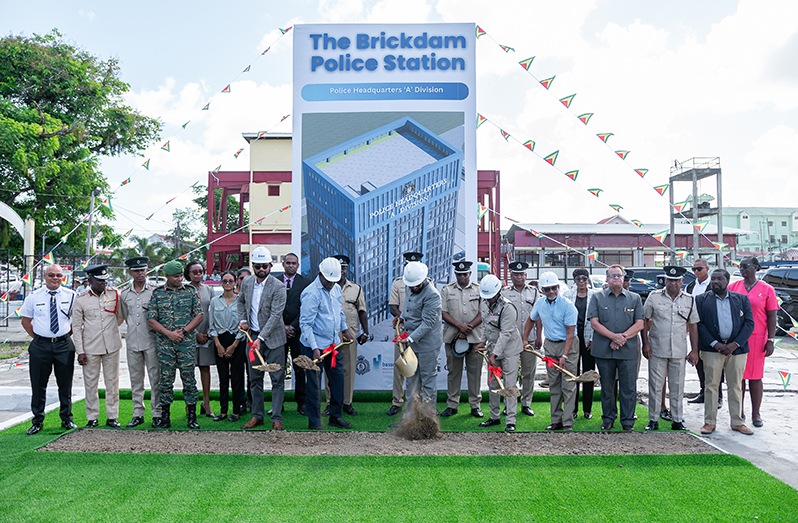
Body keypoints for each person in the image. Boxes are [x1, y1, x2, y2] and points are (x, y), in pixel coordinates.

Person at [696, 268, 755, 435]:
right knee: (711, 386)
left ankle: (737, 422)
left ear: (727, 281)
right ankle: (709, 422)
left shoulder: (742, 299)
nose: (716, 282)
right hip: (711, 350)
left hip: (737, 351)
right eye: (713, 279)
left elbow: (749, 324)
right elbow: (699, 324)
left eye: (719, 279)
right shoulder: (701, 300)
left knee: (735, 386)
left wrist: (734, 344)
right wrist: (715, 344)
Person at [641, 266, 700, 431]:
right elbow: (645, 321)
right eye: (670, 280)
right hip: (657, 349)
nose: (673, 283)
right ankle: (653, 420)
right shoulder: (654, 297)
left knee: (678, 386)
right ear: (665, 281)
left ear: (682, 281)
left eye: (676, 280)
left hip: (679, 350)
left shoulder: (689, 299)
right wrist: (645, 344)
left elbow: (693, 325)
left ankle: (677, 420)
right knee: (655, 385)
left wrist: (694, 350)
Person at [20, 264, 77, 435]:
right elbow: (26, 321)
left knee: (65, 384)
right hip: (40, 345)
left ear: (63, 278)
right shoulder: (33, 297)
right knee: (38, 384)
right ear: (44, 276)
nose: (55, 278)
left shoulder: (71, 295)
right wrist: (40, 338)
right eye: (51, 275)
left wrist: (63, 336)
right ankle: (37, 421)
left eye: (59, 275)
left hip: (64, 345)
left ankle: (67, 419)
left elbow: (77, 320)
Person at [146, 260, 204, 429]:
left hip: (186, 344)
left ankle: (192, 417)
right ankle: (165, 417)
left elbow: (199, 316)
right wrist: (169, 334)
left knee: (189, 379)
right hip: (165, 344)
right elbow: (151, 319)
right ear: (166, 276)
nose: (180, 279)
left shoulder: (191, 292)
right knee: (165, 380)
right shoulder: (157, 294)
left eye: (180, 275)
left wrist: (184, 332)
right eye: (176, 276)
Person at [588, 264, 644, 431]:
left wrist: (622, 338)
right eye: (612, 276)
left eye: (619, 275)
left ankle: (627, 421)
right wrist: (613, 337)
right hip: (604, 350)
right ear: (607, 279)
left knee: (628, 387)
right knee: (606, 387)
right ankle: (608, 419)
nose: (616, 278)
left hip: (627, 351)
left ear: (623, 277)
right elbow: (594, 323)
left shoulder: (635, 298)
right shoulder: (597, 297)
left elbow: (640, 323)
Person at [300, 257, 354, 430]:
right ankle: (314, 422)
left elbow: (339, 311)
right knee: (314, 385)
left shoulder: (336, 289)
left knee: (337, 381)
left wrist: (344, 329)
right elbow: (306, 325)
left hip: (333, 345)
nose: (331, 284)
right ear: (320, 275)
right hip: (312, 347)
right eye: (329, 281)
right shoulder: (311, 293)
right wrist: (315, 348)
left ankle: (335, 416)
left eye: (334, 281)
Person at [237, 246, 287, 430]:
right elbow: (241, 301)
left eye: (264, 266)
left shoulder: (278, 286)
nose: (261, 269)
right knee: (254, 379)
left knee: (277, 380)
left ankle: (276, 418)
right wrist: (243, 319)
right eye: (258, 266)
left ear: (270, 265)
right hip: (253, 338)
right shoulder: (247, 282)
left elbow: (276, 316)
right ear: (252, 266)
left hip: (273, 341)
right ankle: (257, 416)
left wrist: (261, 338)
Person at [390, 261, 442, 427]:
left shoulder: (432, 294)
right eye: (410, 285)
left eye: (416, 285)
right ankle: (408, 420)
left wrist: (409, 339)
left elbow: (427, 324)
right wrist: (401, 318)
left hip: (427, 344)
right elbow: (408, 308)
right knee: (411, 380)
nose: (413, 288)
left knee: (427, 381)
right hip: (412, 343)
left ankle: (428, 420)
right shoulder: (410, 285)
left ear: (423, 279)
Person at [72, 264, 125, 428]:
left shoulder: (115, 294)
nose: (104, 283)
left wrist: (109, 332)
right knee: (91, 384)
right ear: (90, 280)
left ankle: (112, 417)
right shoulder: (80, 298)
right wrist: (80, 351)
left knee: (112, 383)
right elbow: (76, 327)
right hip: (90, 348)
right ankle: (92, 417)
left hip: (111, 346)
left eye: (105, 280)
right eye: (99, 280)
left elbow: (120, 317)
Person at [728, 257, 778, 428]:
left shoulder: (767, 289)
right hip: (736, 339)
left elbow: (772, 316)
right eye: (739, 266)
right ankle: (738, 411)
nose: (742, 269)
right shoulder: (733, 287)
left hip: (757, 339)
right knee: (738, 376)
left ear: (756, 268)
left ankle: (756, 413)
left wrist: (770, 340)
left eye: (745, 266)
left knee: (755, 377)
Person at [526, 272, 578, 431]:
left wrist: (564, 355)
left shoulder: (568, 305)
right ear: (542, 290)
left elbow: (570, 333)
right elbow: (531, 319)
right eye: (547, 289)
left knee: (568, 385)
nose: (551, 292)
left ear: (558, 287)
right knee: (554, 384)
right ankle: (556, 420)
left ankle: (568, 422)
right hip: (550, 344)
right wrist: (524, 338)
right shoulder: (540, 303)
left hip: (568, 345)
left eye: (554, 288)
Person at [324, 254, 370, 416]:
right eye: (339, 267)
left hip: (349, 335)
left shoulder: (356, 289)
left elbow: (362, 312)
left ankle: (347, 403)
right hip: (329, 335)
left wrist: (366, 332)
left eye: (344, 267)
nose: (342, 271)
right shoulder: (327, 286)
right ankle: (330, 403)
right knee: (330, 369)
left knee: (348, 370)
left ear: (347, 269)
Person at [120, 256, 162, 428]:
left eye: (143, 270)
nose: (140, 273)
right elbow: (125, 316)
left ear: (147, 271)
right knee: (136, 380)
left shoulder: (156, 291)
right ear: (130, 273)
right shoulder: (124, 294)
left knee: (155, 379)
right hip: (132, 341)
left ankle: (157, 413)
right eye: (136, 271)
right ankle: (138, 413)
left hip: (151, 340)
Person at [477, 274, 522, 432]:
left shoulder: (508, 307)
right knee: (493, 384)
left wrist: (494, 355)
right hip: (493, 347)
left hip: (509, 349)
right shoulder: (484, 303)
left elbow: (505, 334)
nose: (489, 299)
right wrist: (482, 341)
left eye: (491, 296)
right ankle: (494, 417)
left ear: (498, 292)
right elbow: (485, 325)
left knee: (509, 384)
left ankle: (511, 420)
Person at [440, 261, 484, 418]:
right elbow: (443, 312)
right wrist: (460, 327)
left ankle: (475, 405)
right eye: (459, 274)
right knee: (453, 372)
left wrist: (468, 328)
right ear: (455, 274)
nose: (462, 277)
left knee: (475, 373)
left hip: (475, 338)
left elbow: (483, 312)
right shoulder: (447, 290)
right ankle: (452, 405)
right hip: (453, 338)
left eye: (465, 274)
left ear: (470, 274)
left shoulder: (479, 289)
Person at [387, 251, 423, 416]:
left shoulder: (427, 283)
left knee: (421, 368)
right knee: (400, 366)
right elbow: (393, 306)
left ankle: (419, 402)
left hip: (421, 331)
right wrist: (403, 317)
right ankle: (397, 402)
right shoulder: (398, 283)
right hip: (402, 331)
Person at [208, 271, 246, 422]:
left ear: (235, 282)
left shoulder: (241, 301)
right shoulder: (215, 301)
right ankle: (223, 411)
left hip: (237, 341)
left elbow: (244, 326)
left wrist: (234, 345)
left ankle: (236, 411)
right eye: (225, 281)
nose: (228, 283)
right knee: (223, 378)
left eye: (231, 281)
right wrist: (218, 345)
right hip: (219, 341)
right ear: (221, 282)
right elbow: (212, 326)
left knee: (237, 378)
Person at [503, 261, 539, 417]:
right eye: (516, 274)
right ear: (511, 275)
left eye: (522, 274)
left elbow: (538, 315)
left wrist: (539, 335)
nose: (519, 277)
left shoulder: (534, 292)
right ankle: (509, 404)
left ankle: (526, 403)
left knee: (528, 373)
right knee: (510, 374)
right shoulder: (503, 292)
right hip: (510, 340)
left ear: (526, 275)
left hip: (529, 339)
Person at [276, 253, 310, 415]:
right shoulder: (274, 280)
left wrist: (292, 326)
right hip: (277, 331)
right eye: (288, 263)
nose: (290, 265)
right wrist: (282, 326)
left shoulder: (305, 283)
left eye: (294, 263)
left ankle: (301, 402)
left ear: (298, 265)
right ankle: (278, 403)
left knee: (300, 367)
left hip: (298, 332)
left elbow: (306, 308)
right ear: (283, 264)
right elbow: (271, 306)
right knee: (278, 368)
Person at [562, 268, 596, 419]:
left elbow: (598, 318)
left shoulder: (595, 295)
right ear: (574, 280)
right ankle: (573, 409)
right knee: (572, 373)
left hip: (589, 337)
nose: (581, 282)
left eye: (584, 278)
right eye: (578, 279)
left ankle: (587, 409)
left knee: (588, 373)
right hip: (573, 337)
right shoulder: (567, 295)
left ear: (588, 279)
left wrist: (594, 339)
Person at [185, 260, 216, 418]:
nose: (198, 274)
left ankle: (206, 404)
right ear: (188, 274)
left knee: (205, 368)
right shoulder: (184, 290)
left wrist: (208, 333)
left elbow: (213, 311)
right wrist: (195, 332)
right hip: (189, 334)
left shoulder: (209, 290)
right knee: (188, 371)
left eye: (200, 271)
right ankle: (189, 404)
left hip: (206, 334)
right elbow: (183, 314)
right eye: (194, 272)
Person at [687, 258, 719, 407]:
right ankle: (703, 392)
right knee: (698, 360)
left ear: (707, 268)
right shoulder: (691, 286)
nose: (696, 272)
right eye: (694, 269)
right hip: (695, 327)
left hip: (712, 328)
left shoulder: (715, 284)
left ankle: (718, 395)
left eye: (699, 269)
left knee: (714, 363)